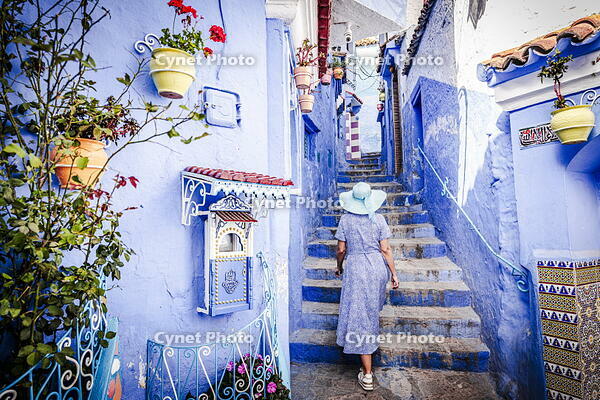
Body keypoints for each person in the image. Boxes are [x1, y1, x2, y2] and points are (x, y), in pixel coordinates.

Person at [334, 181, 399, 391]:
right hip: (376, 269)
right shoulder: (378, 219)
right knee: (369, 312)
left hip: (356, 268)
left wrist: (339, 267)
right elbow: (386, 249)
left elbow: (341, 250)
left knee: (361, 315)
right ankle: (368, 364)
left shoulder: (345, 219)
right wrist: (394, 274)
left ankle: (368, 373)